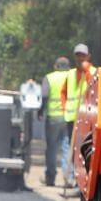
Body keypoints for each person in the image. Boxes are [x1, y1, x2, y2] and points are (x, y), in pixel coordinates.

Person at [39, 56, 77, 187]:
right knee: (68, 148)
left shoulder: (49, 77)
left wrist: (40, 111)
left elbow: (44, 96)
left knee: (52, 148)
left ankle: (50, 177)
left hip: (53, 118)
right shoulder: (73, 77)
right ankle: (69, 177)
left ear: (56, 66)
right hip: (69, 117)